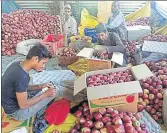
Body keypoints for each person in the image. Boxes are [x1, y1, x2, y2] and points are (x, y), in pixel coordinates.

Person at [2, 43, 57, 121]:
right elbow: (23, 105)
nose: (44, 66)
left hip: (9, 104)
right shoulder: (21, 76)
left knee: (47, 88)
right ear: (35, 59)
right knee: (55, 90)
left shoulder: (17, 64)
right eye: (43, 63)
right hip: (17, 113)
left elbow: (20, 87)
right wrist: (45, 95)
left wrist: (39, 86)